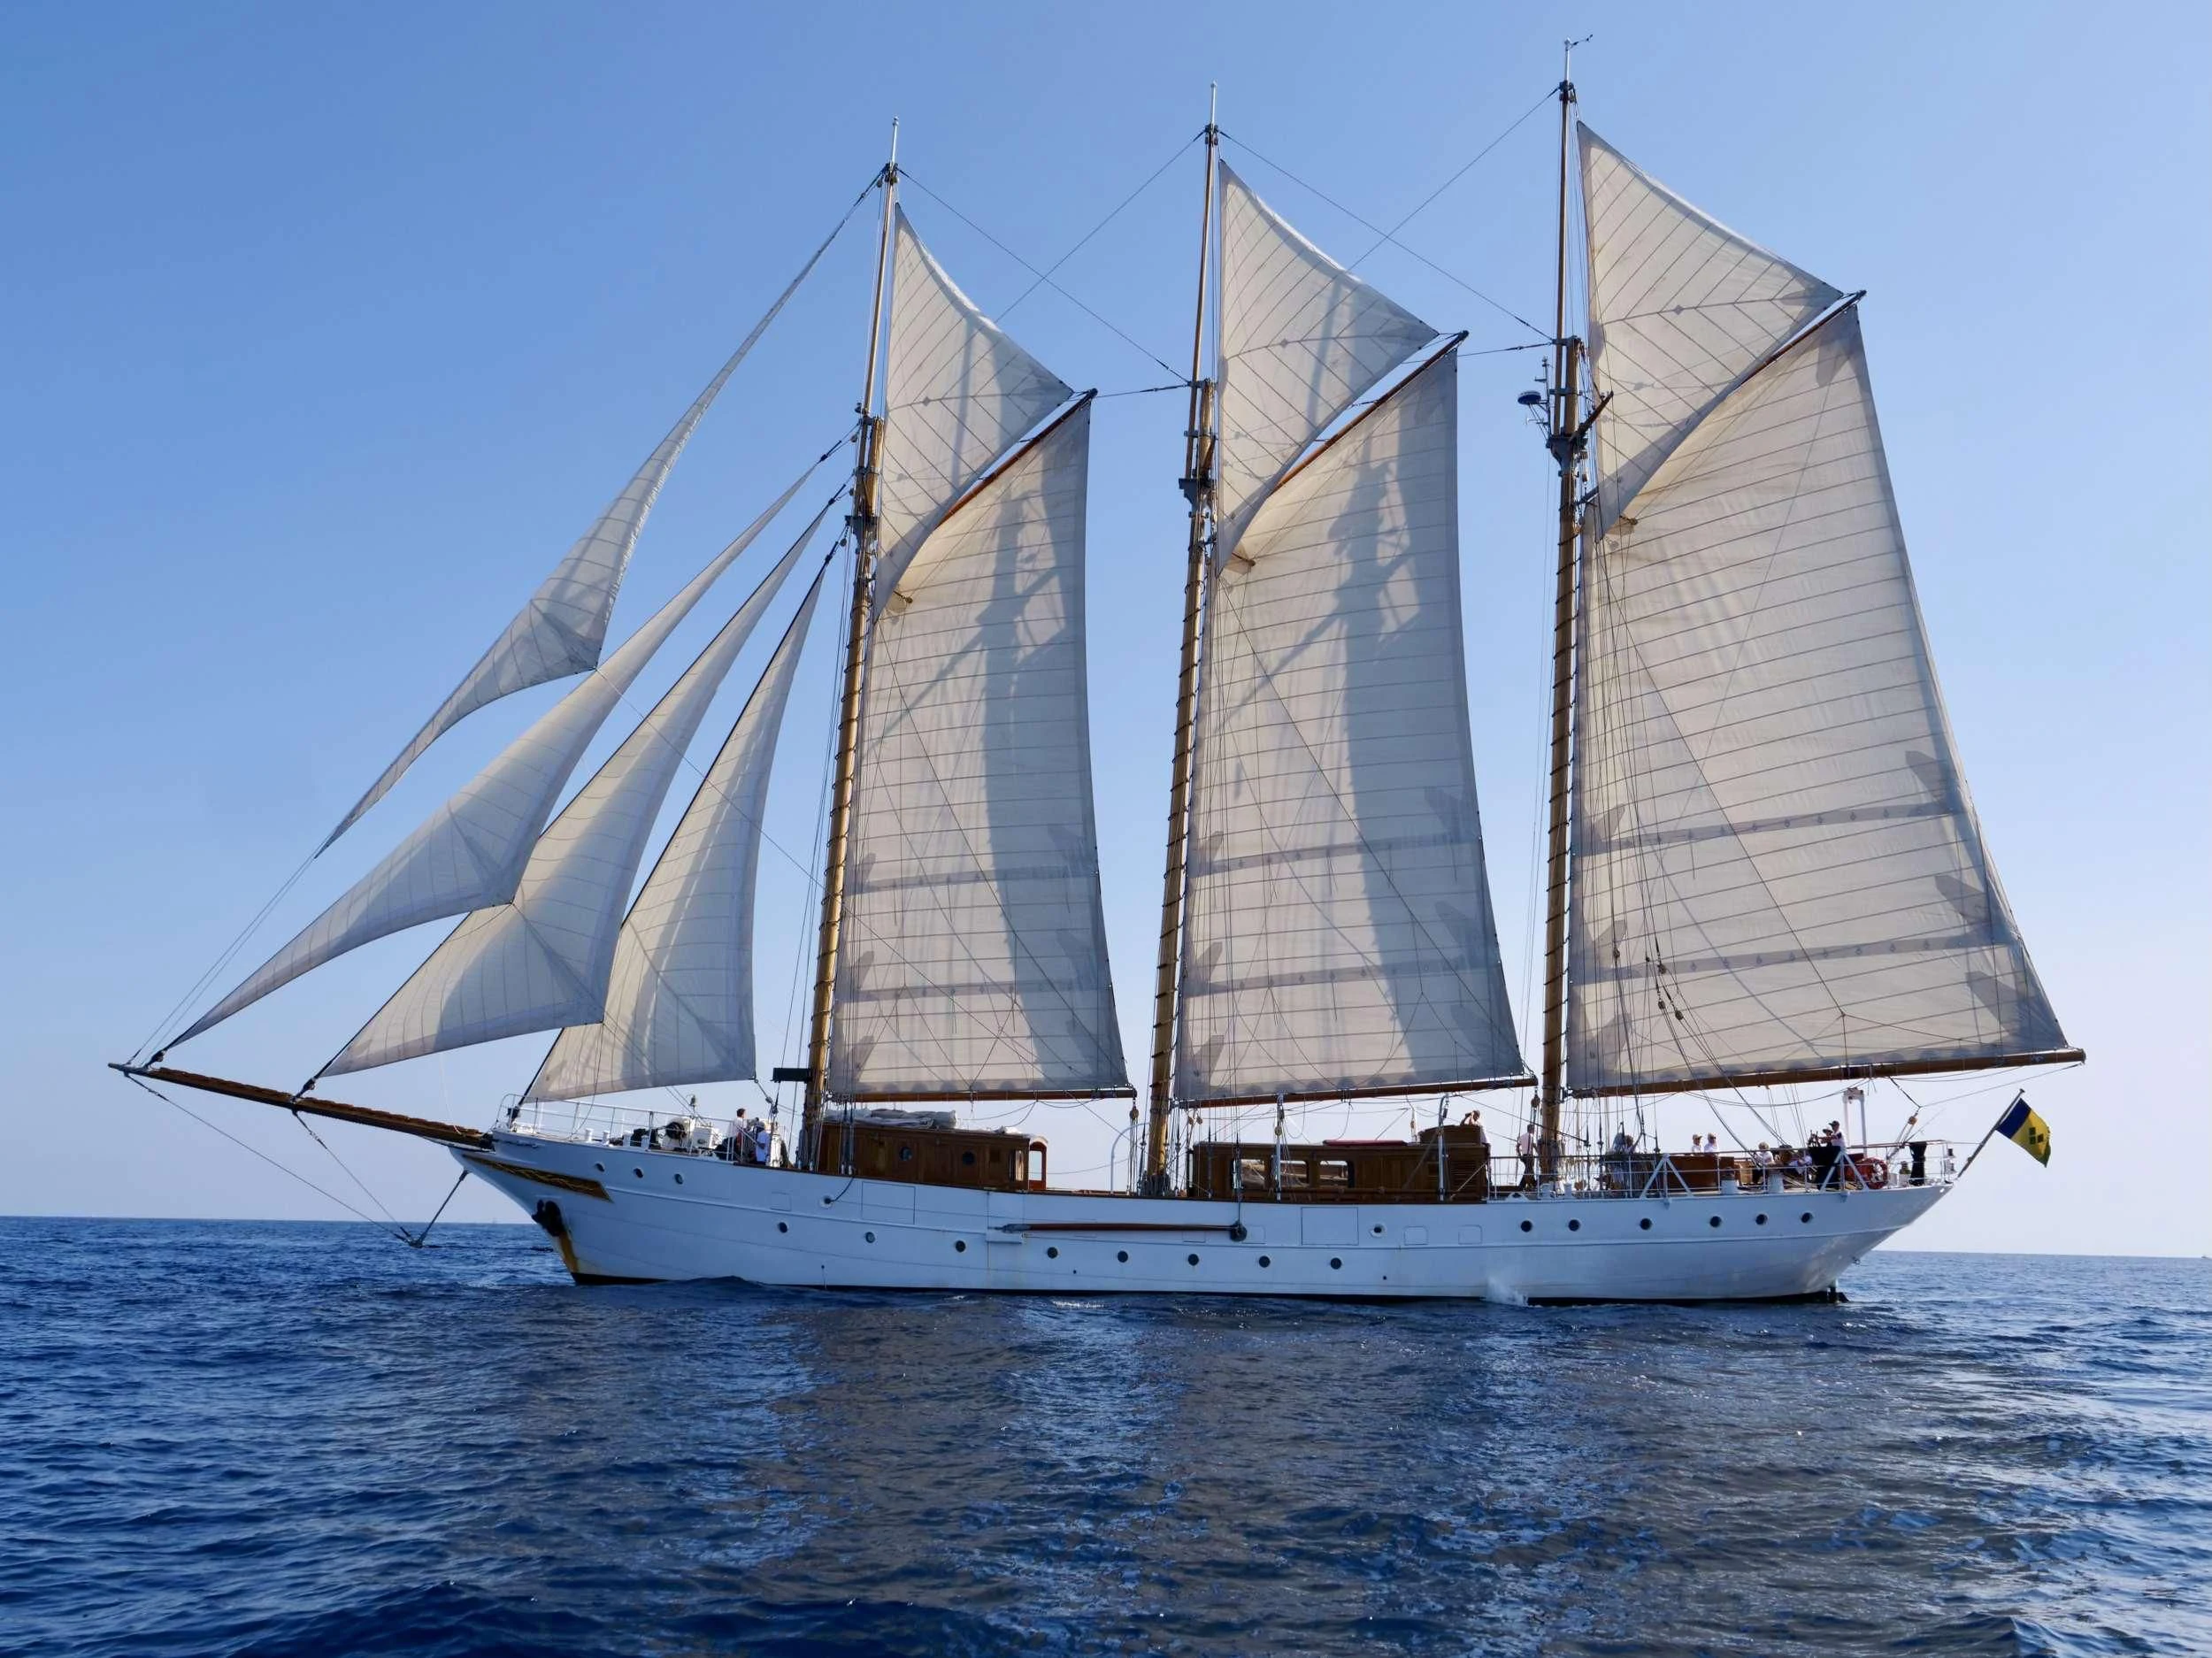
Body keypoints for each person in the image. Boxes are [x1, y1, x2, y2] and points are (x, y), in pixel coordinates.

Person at [1517, 1125, 1536, 1190]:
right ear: (1531, 1129)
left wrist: (1520, 1155)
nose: (1534, 1131)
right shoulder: (1531, 1136)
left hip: (1524, 1156)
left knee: (1528, 1171)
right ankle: (1523, 1185)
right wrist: (1540, 1154)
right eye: (1534, 1129)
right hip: (1530, 1156)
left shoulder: (1522, 1137)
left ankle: (1526, 1185)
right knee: (1529, 1171)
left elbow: (1517, 1147)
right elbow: (1534, 1146)